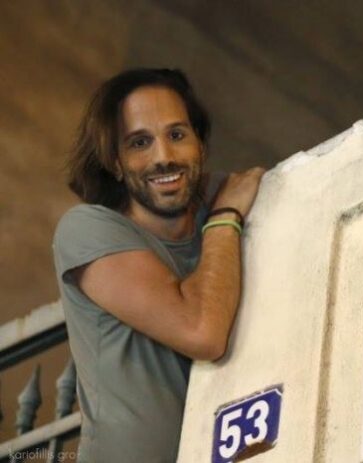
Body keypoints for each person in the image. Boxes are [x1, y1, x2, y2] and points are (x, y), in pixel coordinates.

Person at [52, 68, 264, 462]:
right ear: (115, 162)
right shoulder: (86, 229)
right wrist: (225, 218)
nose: (163, 157)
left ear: (200, 145)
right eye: (140, 142)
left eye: (177, 135)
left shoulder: (227, 203)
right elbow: (202, 332)